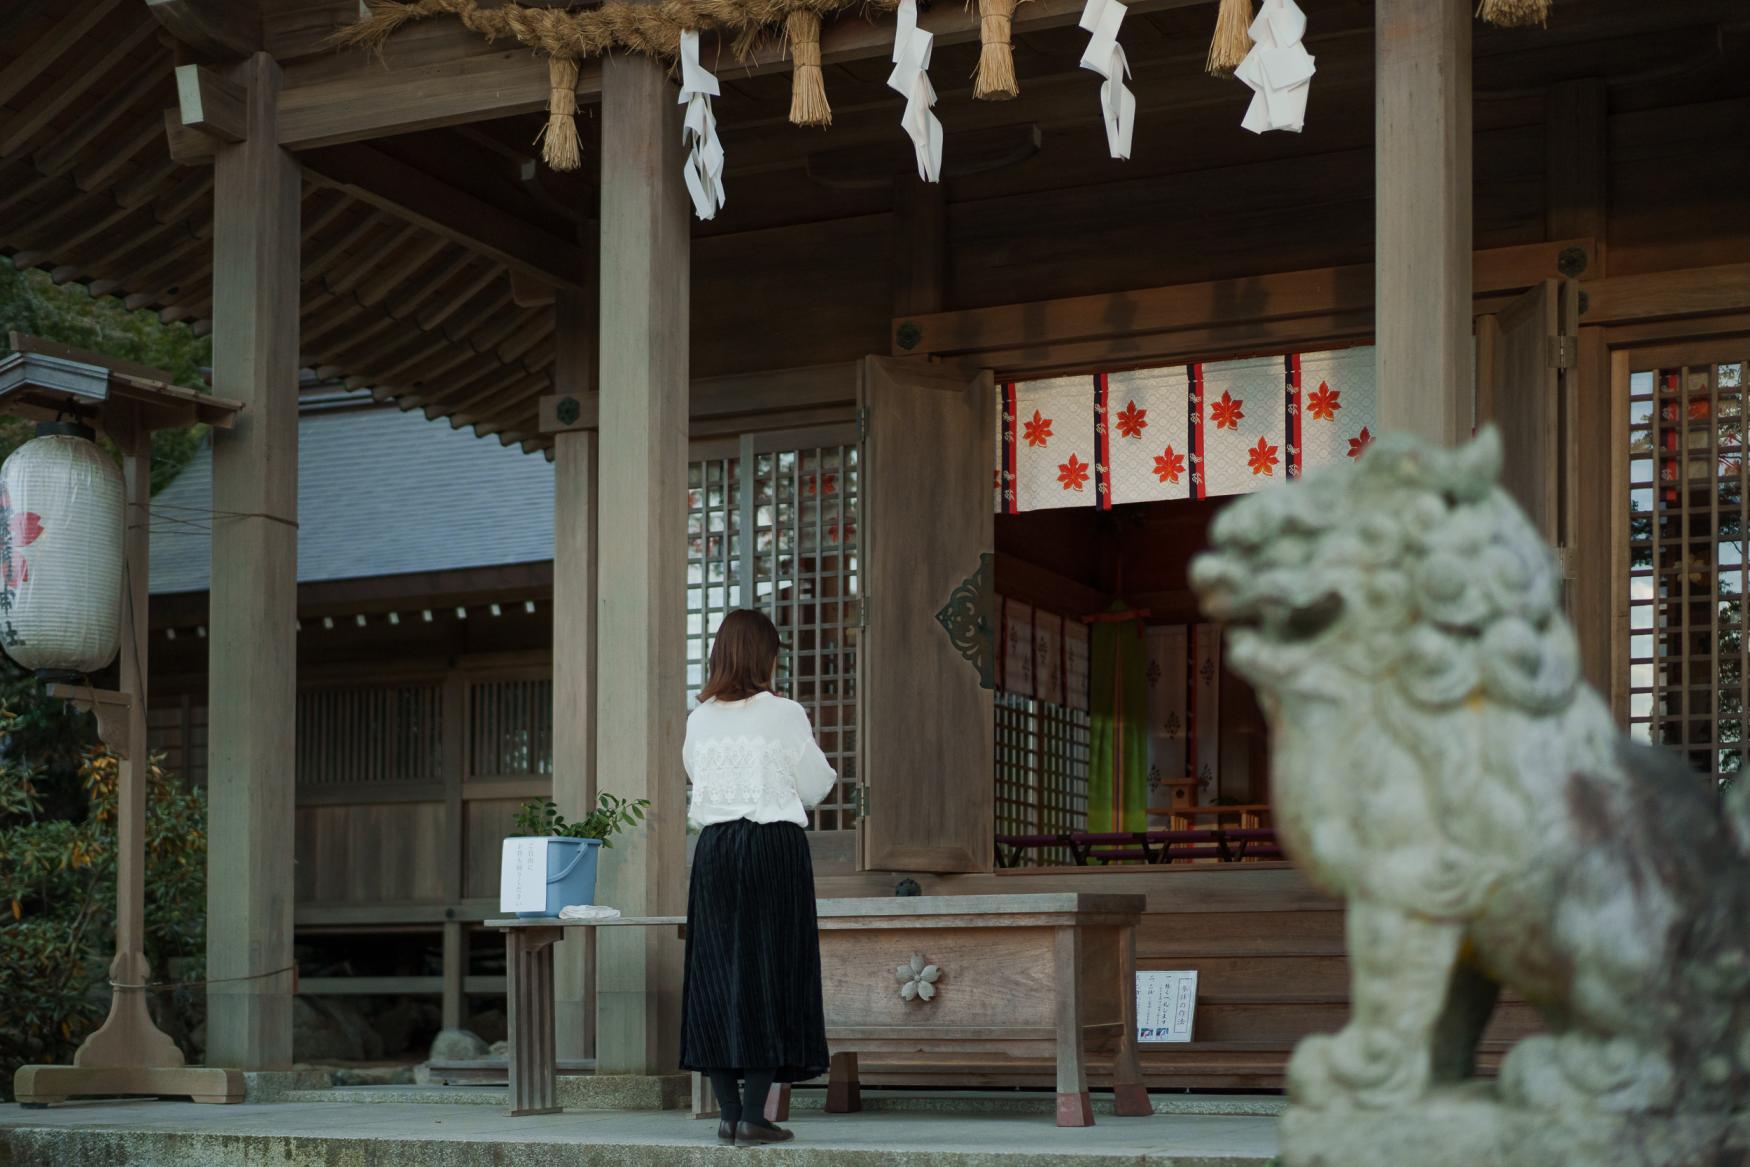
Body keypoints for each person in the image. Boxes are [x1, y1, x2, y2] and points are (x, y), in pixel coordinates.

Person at [680, 608, 835, 1145]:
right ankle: (754, 1113)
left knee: (715, 971)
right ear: (767, 657)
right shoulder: (784, 712)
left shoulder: (698, 720)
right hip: (772, 845)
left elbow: (696, 776)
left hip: (716, 848)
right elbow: (814, 785)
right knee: (774, 966)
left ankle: (727, 1114)